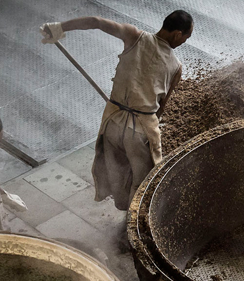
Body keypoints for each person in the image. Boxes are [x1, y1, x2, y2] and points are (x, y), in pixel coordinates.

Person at [39, 11, 193, 210]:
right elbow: (161, 108)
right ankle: (133, 221)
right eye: (186, 37)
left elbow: (95, 21)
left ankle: (122, 206)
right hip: (139, 132)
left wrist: (58, 28)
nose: (184, 42)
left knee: (116, 172)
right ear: (177, 34)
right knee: (144, 183)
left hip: (112, 121)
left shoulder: (134, 36)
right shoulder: (176, 67)